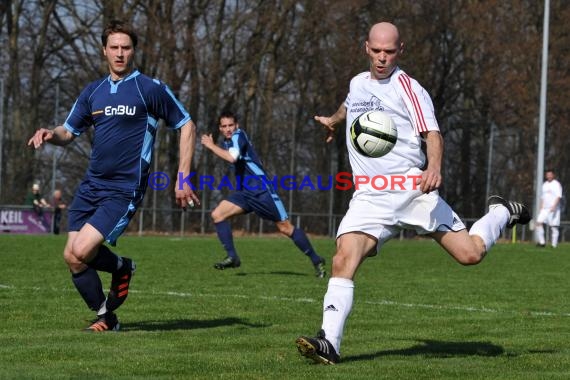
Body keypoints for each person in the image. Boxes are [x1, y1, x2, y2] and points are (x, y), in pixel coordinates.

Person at [295, 22, 530, 364]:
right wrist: (333, 120)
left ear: (400, 50)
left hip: (413, 191)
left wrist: (433, 168)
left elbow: (432, 133)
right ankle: (329, 343)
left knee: (470, 255)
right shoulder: (357, 83)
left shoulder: (409, 88)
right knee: (343, 258)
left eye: (389, 52)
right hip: (370, 196)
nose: (382, 58)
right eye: (376, 51)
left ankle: (500, 213)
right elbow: (350, 105)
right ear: (366, 48)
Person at [27, 20, 199, 332]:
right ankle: (108, 315)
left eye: (126, 48)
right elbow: (68, 131)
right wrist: (49, 133)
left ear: (133, 51)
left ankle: (120, 271)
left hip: (123, 189)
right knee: (72, 257)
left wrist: (183, 176)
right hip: (91, 184)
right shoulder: (93, 91)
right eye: (114, 48)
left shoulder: (149, 88)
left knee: (82, 250)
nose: (120, 53)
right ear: (104, 50)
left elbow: (186, 124)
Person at [201, 110, 326, 278]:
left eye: (231, 125)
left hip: (261, 191)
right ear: (220, 128)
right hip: (245, 193)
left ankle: (316, 260)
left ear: (236, 125)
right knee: (218, 215)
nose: (228, 128)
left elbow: (232, 158)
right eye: (224, 126)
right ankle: (233, 257)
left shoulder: (238, 136)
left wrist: (210, 146)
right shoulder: (227, 141)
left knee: (285, 228)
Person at [535, 169, 563, 248]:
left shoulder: (557, 184)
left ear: (553, 175)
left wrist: (554, 206)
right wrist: (541, 207)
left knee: (553, 226)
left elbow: (558, 196)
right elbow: (542, 197)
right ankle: (542, 242)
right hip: (544, 209)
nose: (549, 176)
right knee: (538, 223)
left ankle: (554, 245)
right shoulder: (544, 185)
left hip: (554, 209)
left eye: (550, 174)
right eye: (547, 175)